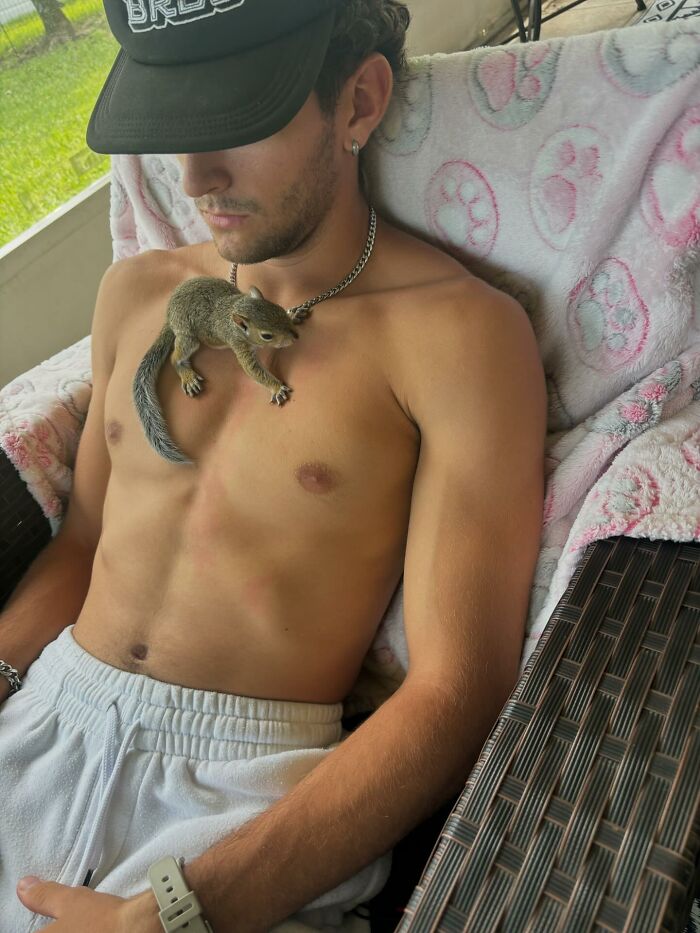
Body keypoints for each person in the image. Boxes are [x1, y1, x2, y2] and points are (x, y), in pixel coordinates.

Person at [0, 1, 547, 930]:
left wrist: (178, 910)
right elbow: (86, 539)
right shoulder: (136, 293)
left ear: (360, 103)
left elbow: (461, 691)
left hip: (243, 803)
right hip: (43, 716)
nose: (193, 177)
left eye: (235, 122)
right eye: (175, 127)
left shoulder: (456, 337)